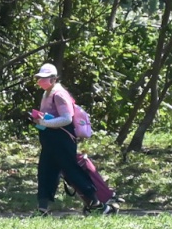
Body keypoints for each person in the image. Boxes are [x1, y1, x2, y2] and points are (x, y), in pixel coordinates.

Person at [28, 62, 112, 215]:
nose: (41, 80)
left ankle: (97, 204)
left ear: (54, 79)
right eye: (40, 77)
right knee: (45, 171)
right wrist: (39, 121)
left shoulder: (59, 94)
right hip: (49, 140)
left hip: (62, 140)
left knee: (71, 170)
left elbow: (67, 118)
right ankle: (42, 208)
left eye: (45, 78)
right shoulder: (46, 93)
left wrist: (45, 122)